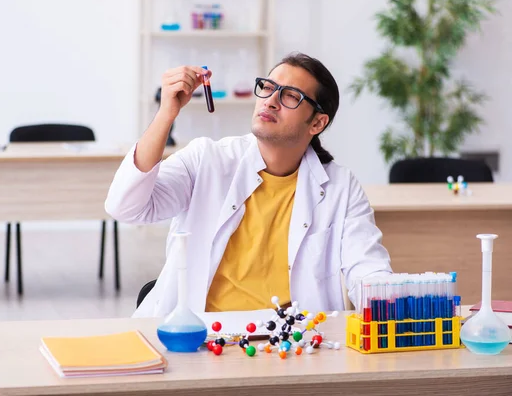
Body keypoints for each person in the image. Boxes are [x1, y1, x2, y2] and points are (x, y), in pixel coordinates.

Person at [105, 52, 392, 318]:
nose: (270, 100)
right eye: (267, 87)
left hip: (290, 343)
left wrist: (391, 304)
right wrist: (165, 114)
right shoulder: (208, 159)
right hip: (200, 336)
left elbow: (366, 268)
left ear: (317, 123)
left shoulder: (341, 187)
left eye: (290, 96)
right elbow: (125, 207)